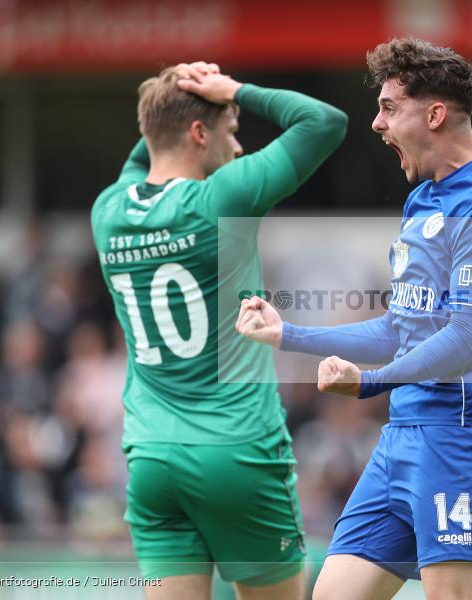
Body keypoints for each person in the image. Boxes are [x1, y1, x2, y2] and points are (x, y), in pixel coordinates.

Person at [237, 39, 472, 600]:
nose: (376, 123)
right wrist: (289, 334)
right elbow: (402, 329)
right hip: (402, 438)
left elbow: (471, 337)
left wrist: (371, 382)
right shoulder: (424, 198)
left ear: (435, 114)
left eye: (388, 107)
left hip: (459, 440)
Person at [91, 61, 347, 600]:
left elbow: (148, 148)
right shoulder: (223, 198)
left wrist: (175, 87)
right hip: (238, 451)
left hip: (153, 455)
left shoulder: (109, 210)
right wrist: (234, 90)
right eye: (231, 132)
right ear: (199, 133)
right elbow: (324, 122)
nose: (237, 149)